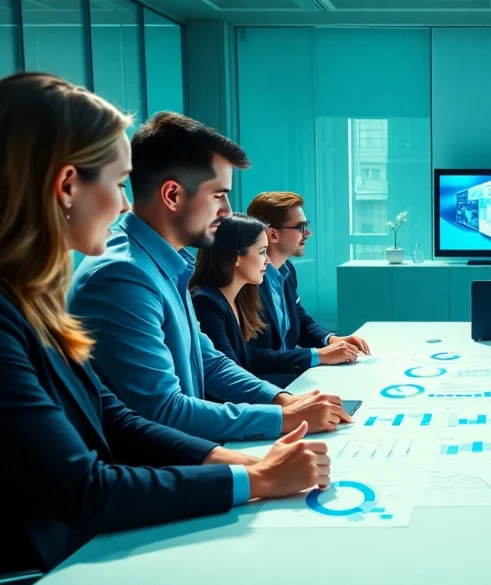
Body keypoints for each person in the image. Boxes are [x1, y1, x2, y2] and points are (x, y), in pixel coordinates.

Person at [0, 72, 330, 575]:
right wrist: (254, 479)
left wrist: (244, 460)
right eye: (115, 183)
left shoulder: (35, 300)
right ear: (67, 186)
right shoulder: (114, 278)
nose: (123, 203)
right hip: (61, 559)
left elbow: (116, 414)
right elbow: (87, 485)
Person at [68, 113, 350, 443]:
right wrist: (283, 418)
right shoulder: (122, 276)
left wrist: (283, 400)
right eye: (218, 195)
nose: (228, 211)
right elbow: (162, 410)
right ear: (172, 195)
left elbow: (209, 360)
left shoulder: (163, 261)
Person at [246, 191, 369, 385]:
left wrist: (331, 340)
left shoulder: (286, 269)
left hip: (292, 377)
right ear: (272, 234)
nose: (308, 233)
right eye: (300, 227)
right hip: (266, 387)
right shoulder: (247, 282)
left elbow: (300, 320)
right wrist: (318, 355)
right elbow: (249, 357)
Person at [190, 215, 324, 379]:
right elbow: (227, 377)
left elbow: (250, 358)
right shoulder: (205, 303)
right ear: (237, 257)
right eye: (262, 252)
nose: (268, 261)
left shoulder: (242, 297)